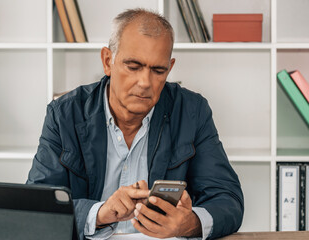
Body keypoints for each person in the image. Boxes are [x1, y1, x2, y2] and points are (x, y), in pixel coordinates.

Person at [27, 8, 244, 240]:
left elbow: (228, 200)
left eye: (158, 70)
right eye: (133, 66)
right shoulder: (64, 114)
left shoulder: (192, 111)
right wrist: (99, 213)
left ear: (169, 69)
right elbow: (37, 207)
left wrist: (189, 223)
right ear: (108, 61)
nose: (144, 82)